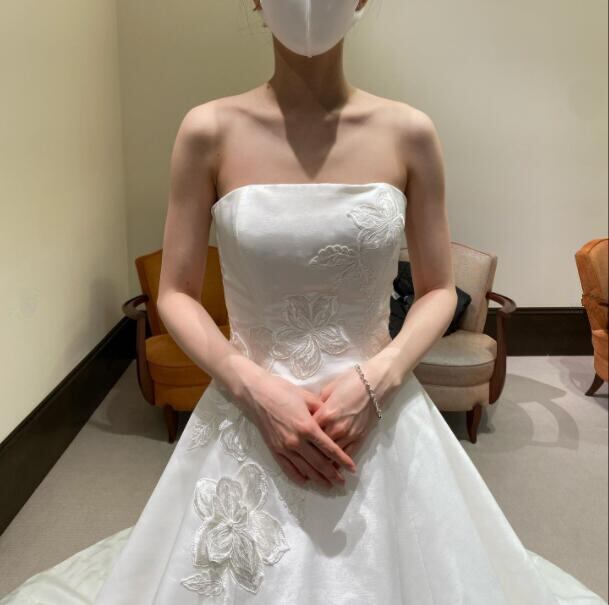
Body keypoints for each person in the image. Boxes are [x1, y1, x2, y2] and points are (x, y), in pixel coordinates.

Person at [3, 1, 605, 603]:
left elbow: (438, 290)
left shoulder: (409, 133)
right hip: (248, 406)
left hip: (378, 407)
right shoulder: (208, 131)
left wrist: (379, 379)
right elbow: (176, 293)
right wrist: (252, 388)